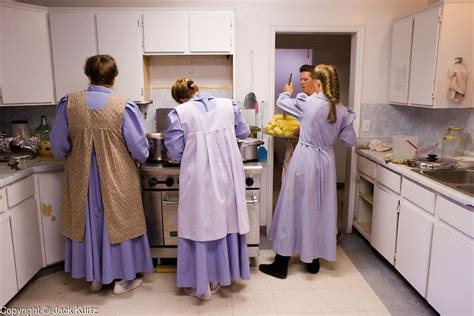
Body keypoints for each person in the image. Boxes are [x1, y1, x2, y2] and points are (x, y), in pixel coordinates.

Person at [50, 54, 153, 294]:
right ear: (114, 77)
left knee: (87, 222)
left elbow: (58, 146)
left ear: (88, 75)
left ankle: (95, 276)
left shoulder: (69, 103)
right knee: (120, 222)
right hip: (117, 176)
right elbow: (139, 149)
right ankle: (124, 279)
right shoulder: (123, 106)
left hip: (81, 177)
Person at [260, 64, 356, 279]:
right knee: (318, 208)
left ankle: (281, 263)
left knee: (291, 206)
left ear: (318, 82)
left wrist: (287, 90)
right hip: (326, 162)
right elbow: (349, 141)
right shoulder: (341, 110)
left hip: (305, 158)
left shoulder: (308, 103)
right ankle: (312, 260)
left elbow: (282, 102)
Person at [165, 78, 251, 301]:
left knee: (200, 224)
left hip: (199, 178)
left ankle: (201, 284)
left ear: (182, 99)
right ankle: (219, 277)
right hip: (228, 174)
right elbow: (243, 132)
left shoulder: (180, 113)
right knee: (225, 221)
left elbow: (174, 152)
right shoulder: (228, 105)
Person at [281, 64, 317, 180]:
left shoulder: (316, 101)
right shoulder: (303, 98)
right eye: (301, 79)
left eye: (305, 79)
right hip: (295, 145)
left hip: (308, 152)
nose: (302, 82)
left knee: (300, 181)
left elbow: (318, 124)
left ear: (316, 80)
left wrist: (287, 92)